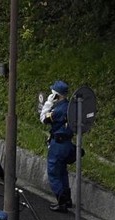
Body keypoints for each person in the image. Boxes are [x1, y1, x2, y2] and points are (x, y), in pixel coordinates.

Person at [40, 80, 76, 212]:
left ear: (56, 95)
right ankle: (67, 199)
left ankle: (61, 202)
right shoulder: (70, 107)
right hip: (67, 143)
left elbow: (43, 119)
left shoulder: (58, 110)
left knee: (54, 173)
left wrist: (48, 103)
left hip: (58, 145)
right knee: (63, 172)